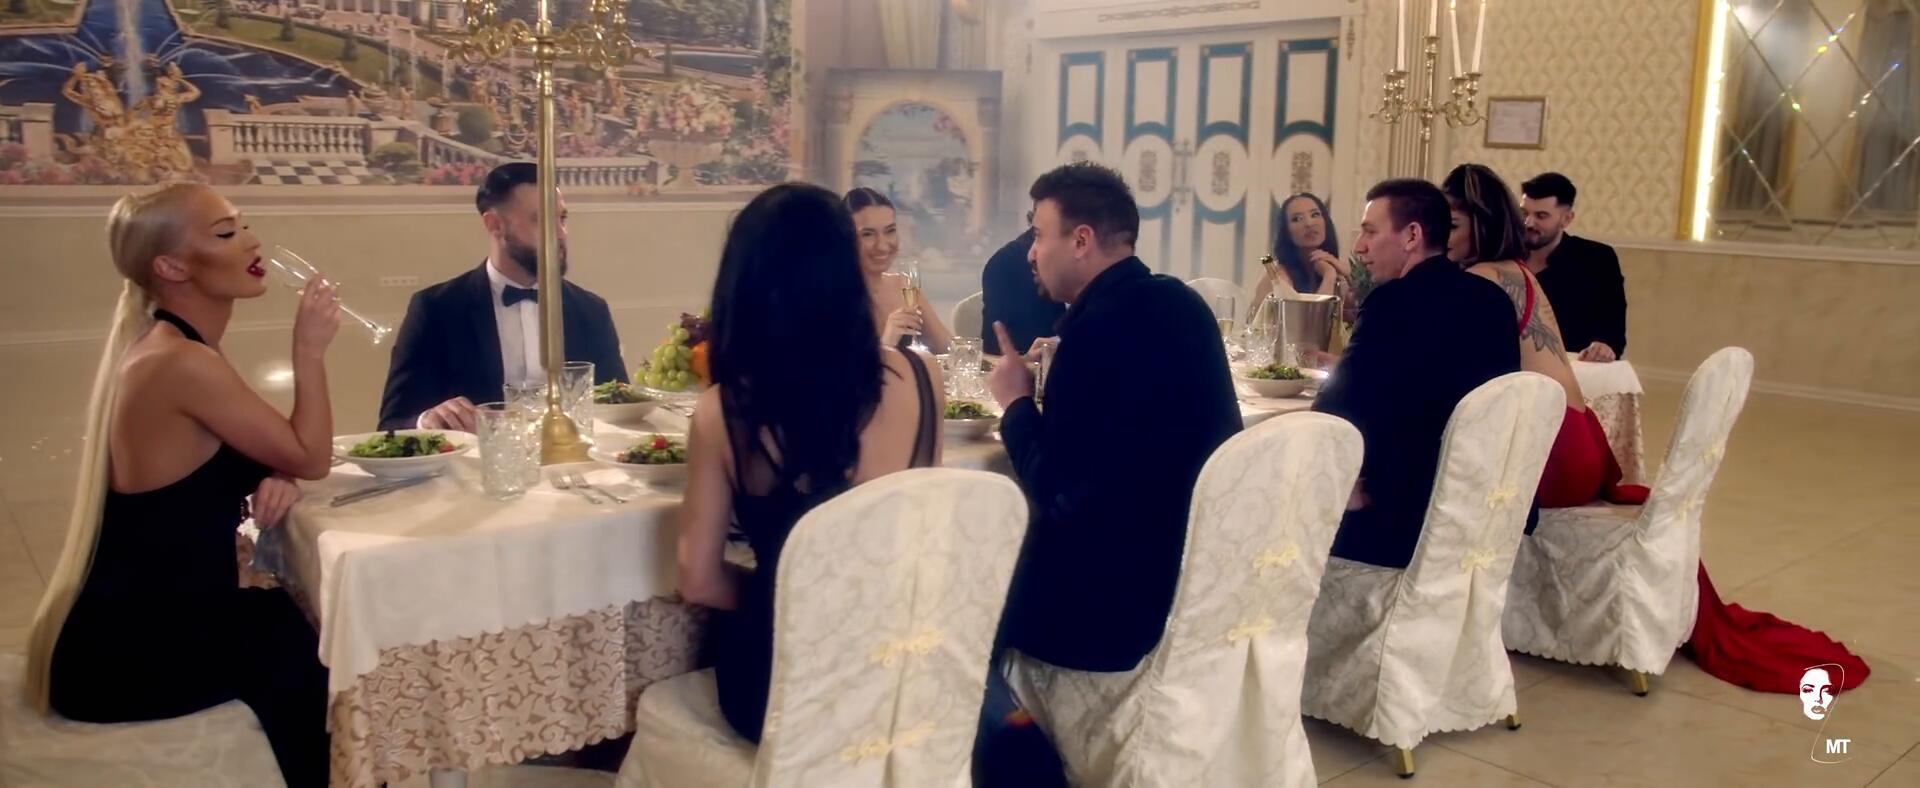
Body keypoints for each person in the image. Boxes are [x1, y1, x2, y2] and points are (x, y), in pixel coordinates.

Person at [25, 184, 337, 787]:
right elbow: (311, 455)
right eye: (225, 233)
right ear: (170, 267)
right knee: (309, 648)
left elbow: (274, 452)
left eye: (243, 225)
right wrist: (309, 352)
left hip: (152, 620)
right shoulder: (181, 362)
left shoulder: (176, 346)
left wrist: (276, 472)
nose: (251, 241)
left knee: (297, 626)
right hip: (130, 649)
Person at [676, 183, 945, 742]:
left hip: (790, 687)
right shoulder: (924, 378)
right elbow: (921, 531)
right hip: (899, 674)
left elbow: (698, 581)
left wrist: (795, 596)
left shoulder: (723, 412)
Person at [986, 162, 1241, 671]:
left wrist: (1015, 403)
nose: (1031, 252)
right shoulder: (1183, 302)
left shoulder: (1094, 334)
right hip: (1199, 583)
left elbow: (1054, 490)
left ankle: (1007, 721)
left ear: (1081, 240)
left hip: (1108, 611)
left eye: (1039, 235)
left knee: (959, 595)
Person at [1311, 179, 1520, 569]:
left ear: (1411, 235)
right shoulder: (1492, 300)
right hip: (1479, 516)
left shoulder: (1392, 303)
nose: (1359, 246)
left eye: (1370, 231)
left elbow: (1335, 412)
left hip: (1401, 523)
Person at [1443, 164, 1638, 510]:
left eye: (1453, 225)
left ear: (1482, 225)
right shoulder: (1515, 270)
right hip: (1580, 444)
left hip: (1552, 458)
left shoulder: (1480, 280)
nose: (1442, 234)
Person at [379, 162, 627, 431]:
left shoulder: (591, 310)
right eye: (542, 220)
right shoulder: (436, 310)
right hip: (479, 458)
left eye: (562, 218)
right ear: (494, 224)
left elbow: (620, 409)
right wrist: (427, 420)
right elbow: (392, 424)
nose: (560, 234)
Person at [1520, 172, 1627, 362]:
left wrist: (1603, 345)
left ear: (1567, 219)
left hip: (1574, 366)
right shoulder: (1503, 255)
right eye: (1524, 213)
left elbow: (1612, 327)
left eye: (1541, 216)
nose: (1528, 223)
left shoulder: (1597, 259)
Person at [846, 187, 954, 353]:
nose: (882, 246)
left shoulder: (903, 286)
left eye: (890, 231)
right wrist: (887, 344)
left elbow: (947, 348)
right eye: (867, 234)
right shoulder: (832, 296)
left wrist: (971, 351)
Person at [979, 216, 1064, 356]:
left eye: (1040, 236)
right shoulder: (1009, 266)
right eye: (1036, 235)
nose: (1030, 255)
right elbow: (997, 357)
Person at [1252, 192, 1345, 305]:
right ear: (1286, 231)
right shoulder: (1277, 278)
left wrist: (1345, 273)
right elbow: (1315, 316)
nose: (1309, 223)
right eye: (1297, 219)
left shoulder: (1339, 270)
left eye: (1315, 214)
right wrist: (1329, 276)